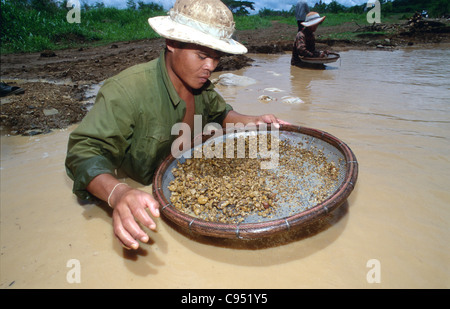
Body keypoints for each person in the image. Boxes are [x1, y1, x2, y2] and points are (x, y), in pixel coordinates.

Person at [65, 0, 288, 250]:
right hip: (142, 188)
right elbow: (83, 151)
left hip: (183, 176)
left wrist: (252, 121)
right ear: (171, 43)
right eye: (202, 56)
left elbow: (220, 113)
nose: (211, 67)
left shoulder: (201, 86)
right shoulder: (126, 91)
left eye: (216, 58)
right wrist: (118, 193)